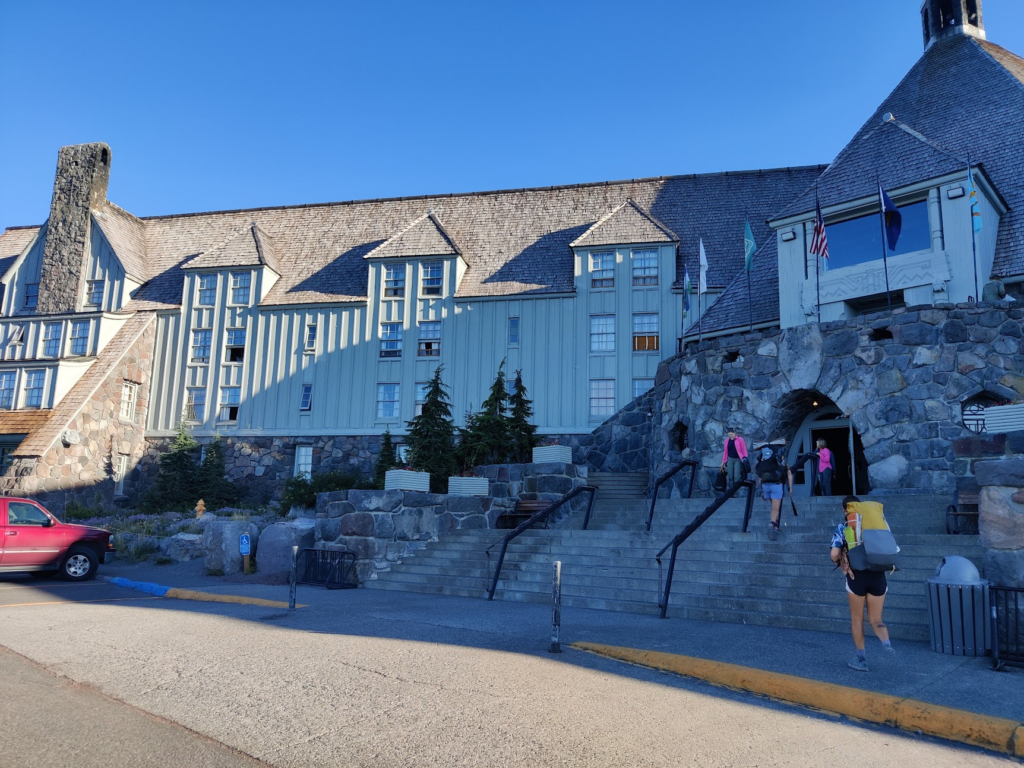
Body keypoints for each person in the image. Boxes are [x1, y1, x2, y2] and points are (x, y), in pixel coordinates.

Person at [830, 495, 894, 672]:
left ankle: (861, 659)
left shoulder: (843, 527)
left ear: (846, 510)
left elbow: (834, 554)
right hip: (878, 576)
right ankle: (886, 643)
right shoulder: (879, 526)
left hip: (856, 577)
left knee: (857, 619)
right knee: (876, 619)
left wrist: (839, 562)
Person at [755, 440, 792, 540]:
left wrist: (761, 490)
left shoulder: (764, 460)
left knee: (774, 505)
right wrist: (790, 488)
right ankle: (772, 526)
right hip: (776, 484)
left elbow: (760, 477)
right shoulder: (780, 460)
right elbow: (788, 473)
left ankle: (775, 525)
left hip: (765, 485)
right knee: (775, 508)